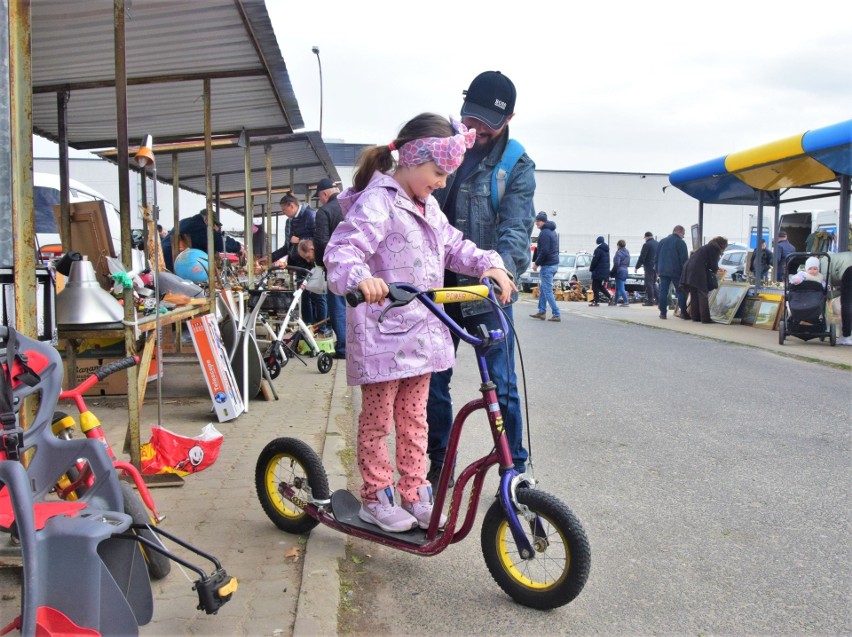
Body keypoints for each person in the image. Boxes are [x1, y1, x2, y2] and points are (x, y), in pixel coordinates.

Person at [324, 113, 515, 533]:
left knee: (415, 420)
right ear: (411, 159)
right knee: (378, 422)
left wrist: (489, 264)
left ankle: (415, 493)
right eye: (438, 172)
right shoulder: (380, 202)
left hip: (421, 337)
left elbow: (455, 246)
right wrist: (361, 279)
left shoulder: (427, 208)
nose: (443, 182)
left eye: (447, 174)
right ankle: (376, 495)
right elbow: (342, 250)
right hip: (383, 337)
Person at [426, 71, 536, 485]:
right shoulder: (444, 146)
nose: (473, 130)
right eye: (468, 119)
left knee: (503, 385)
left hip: (483, 290)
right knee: (434, 381)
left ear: (507, 119)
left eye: (484, 125)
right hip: (438, 288)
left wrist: (501, 270)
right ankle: (438, 466)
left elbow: (516, 228)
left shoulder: (516, 166)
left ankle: (515, 470)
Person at [272, 194, 327, 329]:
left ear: (292, 205)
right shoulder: (289, 222)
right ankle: (308, 325)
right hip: (297, 265)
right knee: (303, 296)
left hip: (312, 264)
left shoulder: (310, 215)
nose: (284, 213)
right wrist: (270, 257)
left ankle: (323, 327)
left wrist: (301, 239)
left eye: (284, 210)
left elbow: (318, 238)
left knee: (318, 295)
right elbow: (287, 246)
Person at [313, 178, 346, 358]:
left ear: (325, 194)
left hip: (336, 266)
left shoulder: (324, 212)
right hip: (357, 264)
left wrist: (321, 263)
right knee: (354, 307)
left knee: (338, 307)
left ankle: (343, 348)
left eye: (319, 197)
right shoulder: (351, 205)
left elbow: (320, 241)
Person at [161, 209, 245, 271]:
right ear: (206, 220)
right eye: (214, 225)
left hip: (169, 261)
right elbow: (218, 241)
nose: (215, 229)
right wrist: (238, 247)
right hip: (172, 265)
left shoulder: (185, 222)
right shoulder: (197, 225)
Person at [679, 236, 728, 323]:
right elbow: (713, 264)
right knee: (702, 293)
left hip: (689, 269)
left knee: (694, 293)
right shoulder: (715, 248)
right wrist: (716, 269)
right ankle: (705, 318)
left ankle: (695, 316)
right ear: (722, 244)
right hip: (697, 271)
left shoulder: (707, 246)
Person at [529, 211, 561, 322]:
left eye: (537, 221)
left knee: (547, 291)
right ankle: (541, 311)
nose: (536, 223)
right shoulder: (552, 231)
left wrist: (536, 263)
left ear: (542, 221)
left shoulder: (544, 233)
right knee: (543, 288)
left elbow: (544, 251)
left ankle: (556, 314)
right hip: (554, 264)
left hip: (547, 265)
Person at [656, 225, 689, 320]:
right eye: (683, 234)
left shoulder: (662, 241)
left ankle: (663, 313)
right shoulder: (680, 243)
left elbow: (657, 257)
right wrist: (685, 271)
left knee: (663, 291)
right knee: (680, 291)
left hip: (662, 271)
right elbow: (684, 259)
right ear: (679, 232)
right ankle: (683, 312)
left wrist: (657, 270)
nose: (683, 236)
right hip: (676, 271)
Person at [827, 251, 852, 345]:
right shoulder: (834, 257)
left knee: (847, 303)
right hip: (848, 268)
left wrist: (830, 294)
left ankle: (846, 337)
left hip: (849, 269)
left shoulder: (824, 260)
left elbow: (827, 286)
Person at [636, 231, 658, 306]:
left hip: (649, 266)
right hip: (656, 266)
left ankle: (650, 301)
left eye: (645, 237)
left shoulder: (646, 244)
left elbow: (642, 257)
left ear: (647, 237)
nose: (645, 239)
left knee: (649, 283)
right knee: (653, 283)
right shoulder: (657, 243)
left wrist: (637, 266)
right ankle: (658, 300)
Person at [589, 235, 612, 306]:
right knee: (599, 286)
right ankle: (610, 297)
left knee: (595, 286)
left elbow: (594, 261)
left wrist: (591, 268)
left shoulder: (598, 250)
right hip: (604, 271)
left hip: (598, 271)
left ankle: (596, 301)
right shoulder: (606, 250)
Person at [612, 239, 630, 306]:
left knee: (621, 287)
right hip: (625, 270)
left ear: (618, 245)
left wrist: (612, 271)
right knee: (618, 288)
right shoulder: (627, 252)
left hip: (619, 270)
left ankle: (626, 301)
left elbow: (617, 263)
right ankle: (615, 302)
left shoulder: (618, 252)